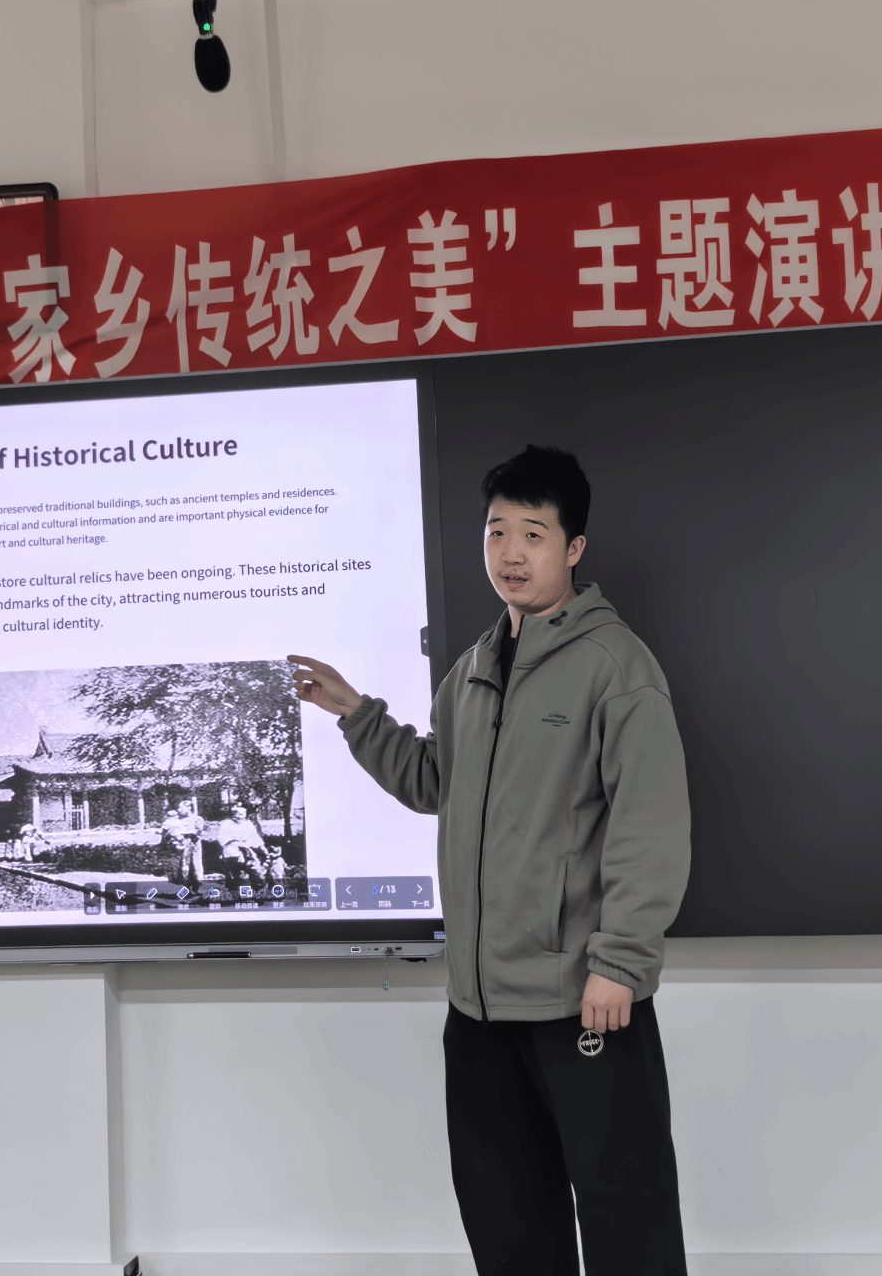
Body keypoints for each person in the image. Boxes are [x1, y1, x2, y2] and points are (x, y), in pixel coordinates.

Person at [290, 444, 691, 1276]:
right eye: (496, 531)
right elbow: (435, 782)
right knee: (509, 1234)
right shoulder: (471, 671)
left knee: (629, 1228)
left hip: (583, 1004)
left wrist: (620, 964)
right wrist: (356, 713)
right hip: (477, 1013)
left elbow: (650, 826)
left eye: (533, 534)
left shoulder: (617, 669)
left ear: (574, 548)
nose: (510, 552)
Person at [215, 804, 269, 886]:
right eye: (238, 814)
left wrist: (262, 847)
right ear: (234, 814)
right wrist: (236, 843)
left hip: (247, 849)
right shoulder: (226, 824)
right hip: (232, 848)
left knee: (255, 864)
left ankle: (257, 883)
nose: (240, 817)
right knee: (237, 865)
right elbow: (223, 839)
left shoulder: (248, 824)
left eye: (243, 815)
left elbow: (255, 837)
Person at [161, 801, 205, 888]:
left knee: (196, 862)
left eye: (181, 808)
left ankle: (198, 882)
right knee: (184, 863)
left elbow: (198, 832)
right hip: (182, 845)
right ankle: (185, 882)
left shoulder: (197, 819)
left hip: (194, 844)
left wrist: (185, 833)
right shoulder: (178, 820)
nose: (178, 810)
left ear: (189, 808)